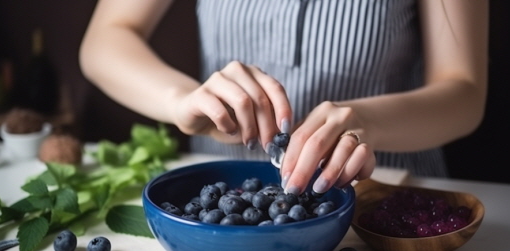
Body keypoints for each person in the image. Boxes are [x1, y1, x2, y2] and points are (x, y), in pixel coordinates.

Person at [79, 0, 488, 196]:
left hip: (376, 203)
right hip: (222, 205)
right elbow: (106, 39)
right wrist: (182, 100)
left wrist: (366, 122)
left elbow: (464, 90)